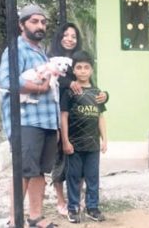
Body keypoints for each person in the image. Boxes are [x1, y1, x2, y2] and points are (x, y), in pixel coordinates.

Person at [0, 4, 58, 228]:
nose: (40, 26)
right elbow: (7, 81)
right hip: (26, 121)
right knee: (24, 171)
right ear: (22, 24)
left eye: (43, 22)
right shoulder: (16, 48)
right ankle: (15, 221)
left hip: (46, 121)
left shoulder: (42, 52)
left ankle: (35, 218)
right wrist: (39, 88)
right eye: (34, 21)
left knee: (40, 172)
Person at [49, 23, 108, 217]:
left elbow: (96, 98)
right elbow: (53, 81)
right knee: (60, 162)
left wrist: (105, 95)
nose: (69, 38)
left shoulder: (80, 58)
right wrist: (69, 83)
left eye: (73, 36)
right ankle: (63, 201)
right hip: (58, 117)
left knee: (85, 170)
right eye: (65, 35)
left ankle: (86, 203)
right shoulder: (51, 60)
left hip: (86, 131)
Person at [60, 50, 108, 223]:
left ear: (91, 71)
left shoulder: (98, 93)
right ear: (73, 70)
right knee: (73, 177)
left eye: (86, 67)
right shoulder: (70, 92)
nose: (82, 71)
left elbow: (100, 117)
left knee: (93, 178)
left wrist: (105, 140)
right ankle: (73, 209)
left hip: (93, 145)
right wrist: (65, 141)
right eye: (78, 67)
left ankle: (92, 208)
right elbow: (63, 116)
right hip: (74, 145)